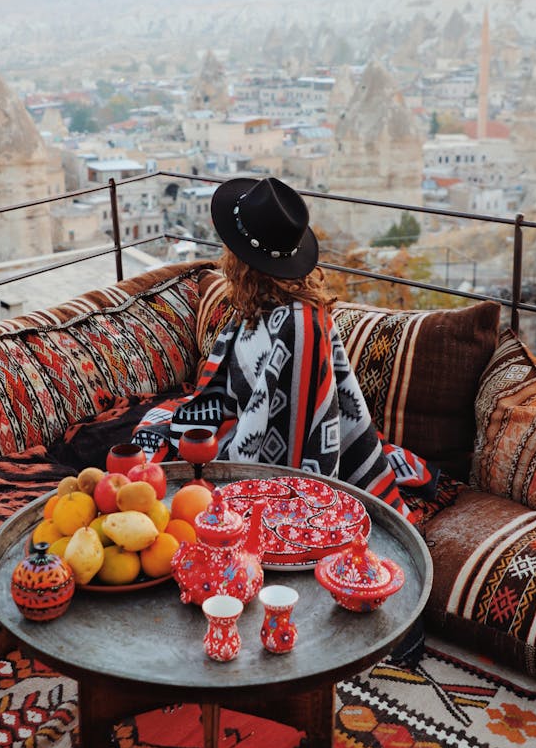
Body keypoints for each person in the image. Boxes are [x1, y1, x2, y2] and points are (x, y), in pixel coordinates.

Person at [133, 176, 436, 522]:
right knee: (151, 432)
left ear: (241, 259)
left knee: (159, 463)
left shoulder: (299, 324)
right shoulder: (259, 304)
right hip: (240, 420)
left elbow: (298, 436)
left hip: (271, 455)